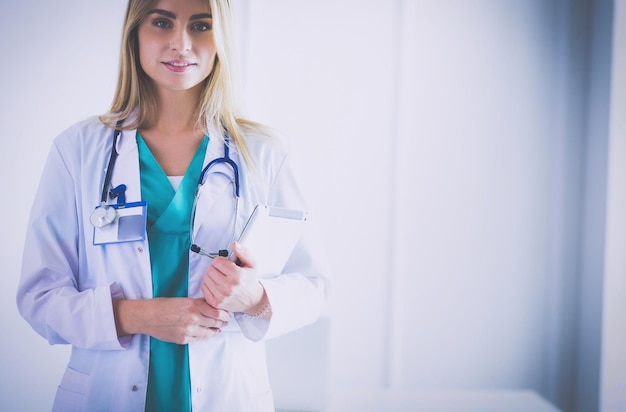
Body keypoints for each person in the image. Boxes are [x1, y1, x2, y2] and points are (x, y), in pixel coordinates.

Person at [16, 0, 329, 411]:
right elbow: (40, 297)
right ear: (135, 32)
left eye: (201, 25)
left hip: (227, 394)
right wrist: (136, 316)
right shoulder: (77, 150)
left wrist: (257, 298)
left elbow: (312, 286)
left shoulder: (264, 153)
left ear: (222, 38)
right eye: (162, 22)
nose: (181, 43)